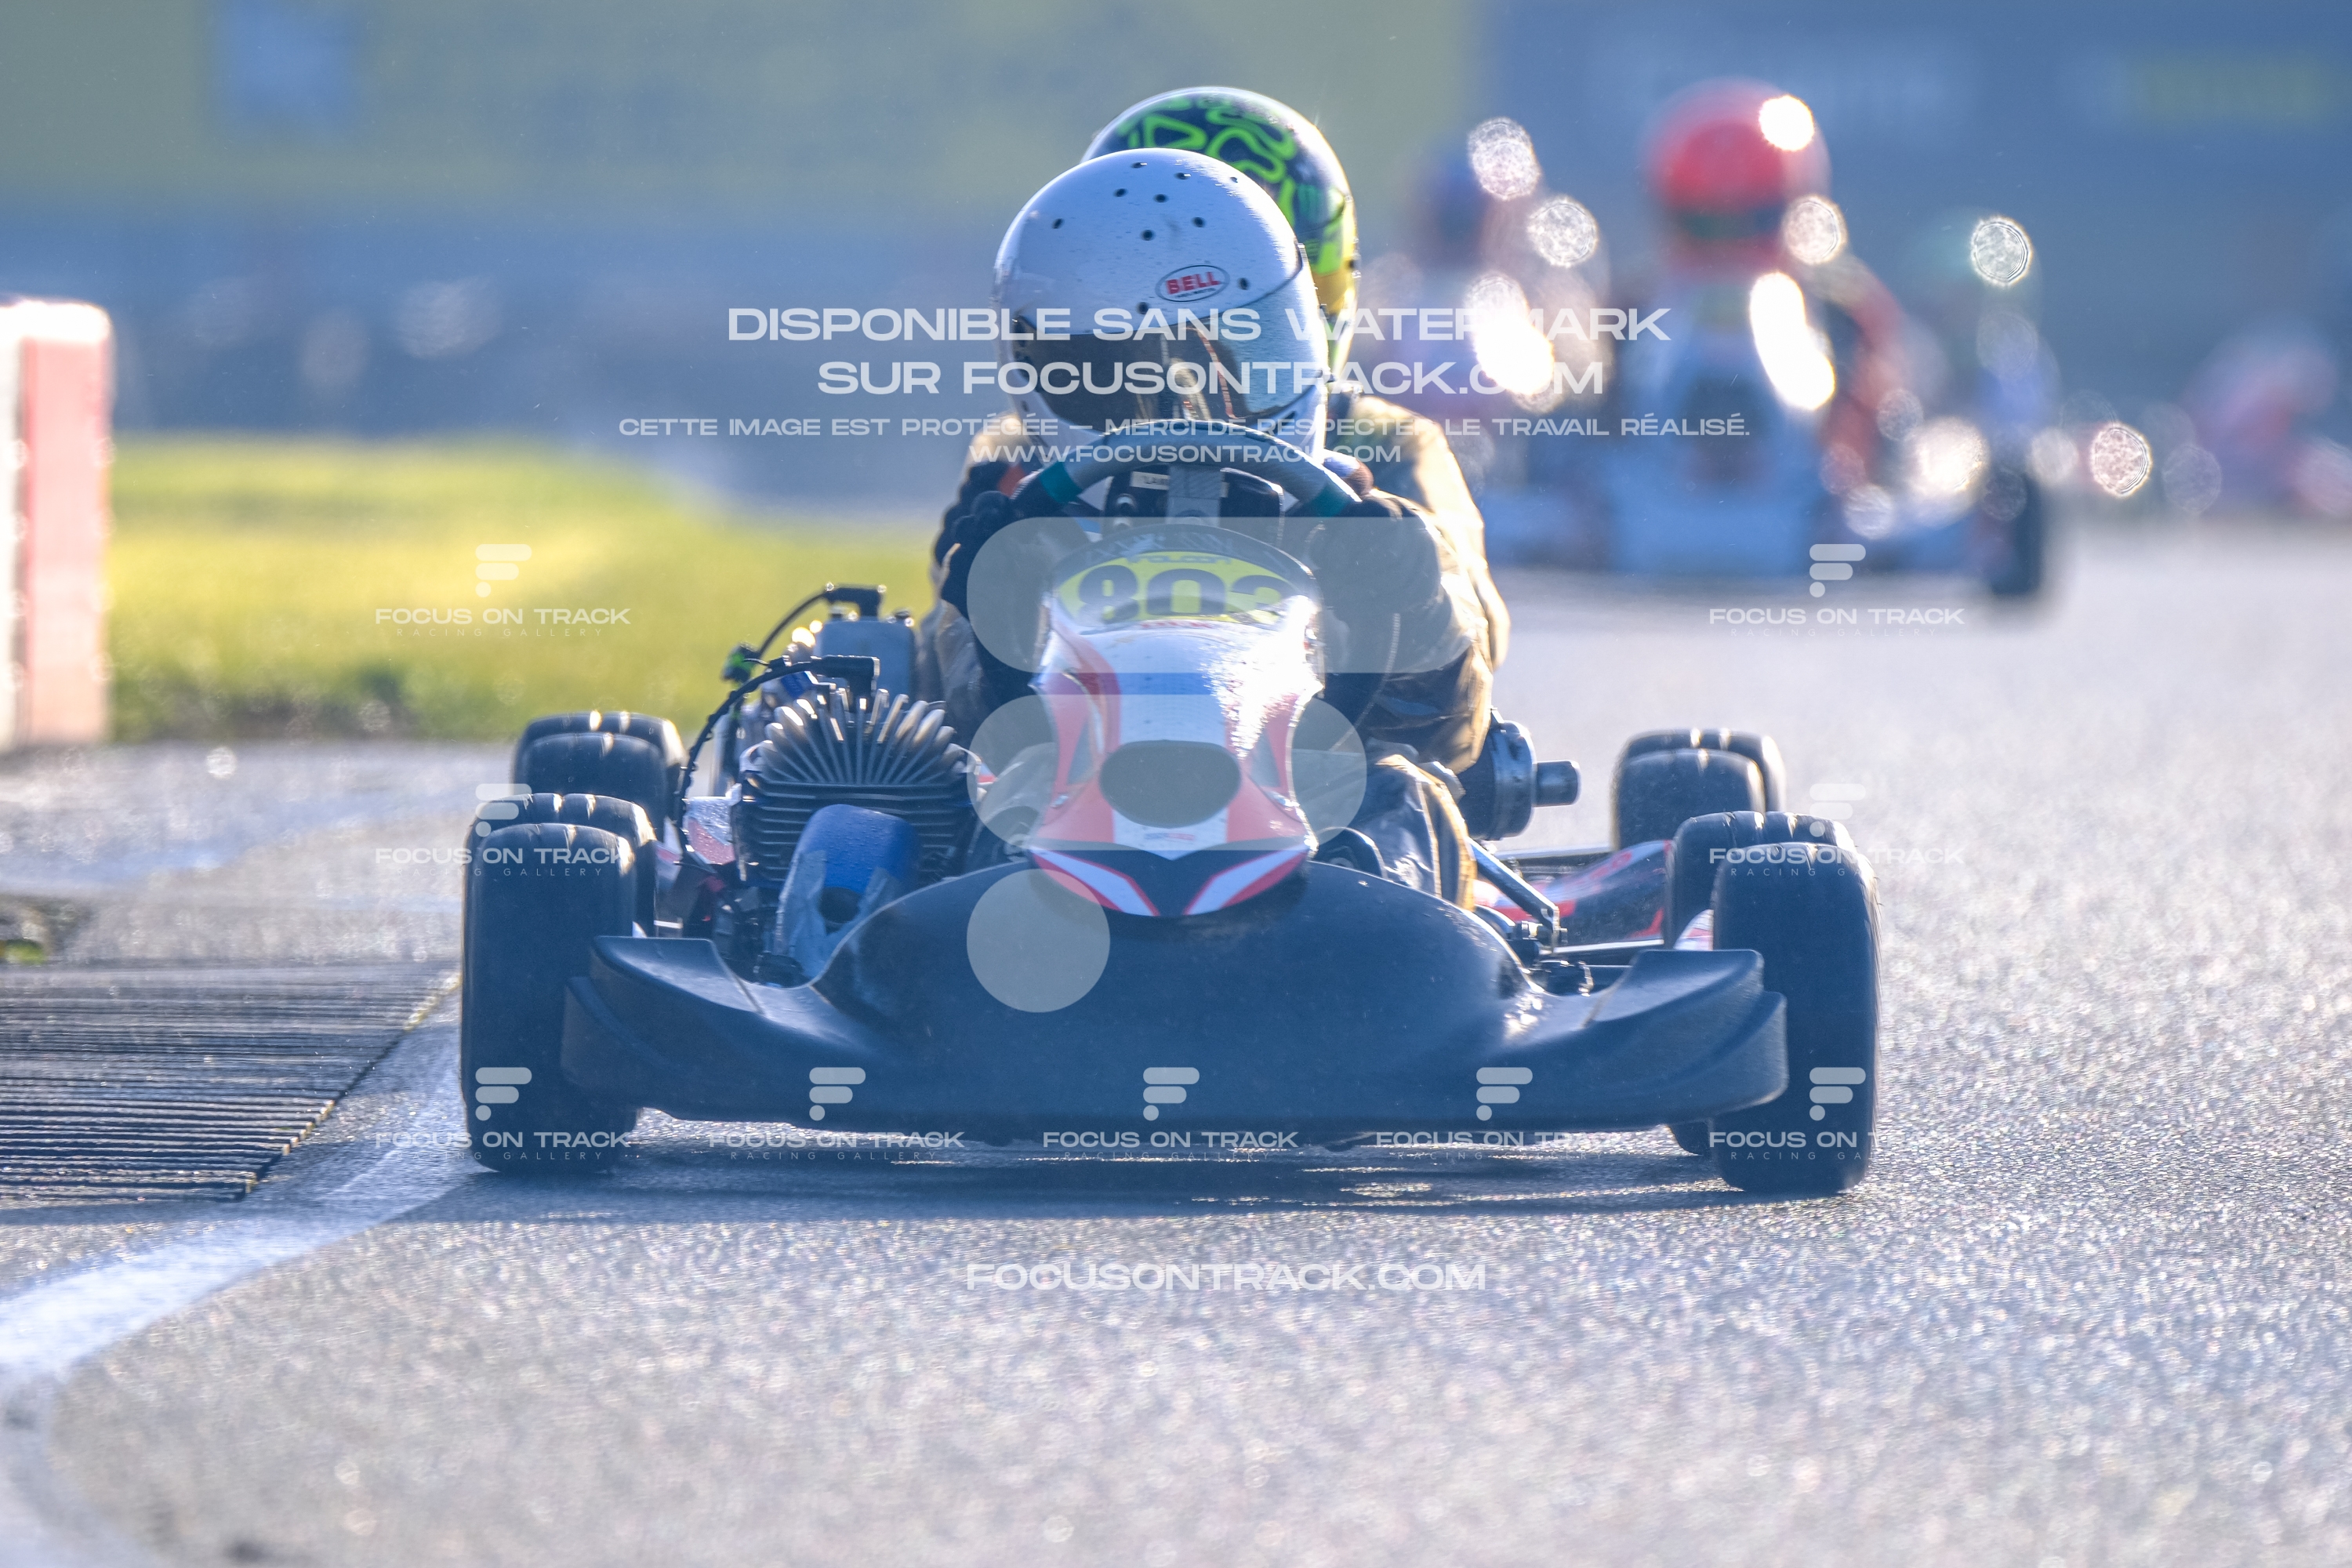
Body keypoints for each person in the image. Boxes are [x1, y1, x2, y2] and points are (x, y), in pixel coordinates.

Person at [924, 145, 1492, 905]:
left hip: (1317, 846)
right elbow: (964, 718)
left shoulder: (1351, 517)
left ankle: (1411, 950)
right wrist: (994, 611)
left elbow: (1454, 732)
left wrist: (1407, 602)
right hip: (1059, 838)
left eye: (1238, 358)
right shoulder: (1034, 529)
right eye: (1130, 375)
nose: (1193, 408)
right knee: (950, 801)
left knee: (1400, 790)